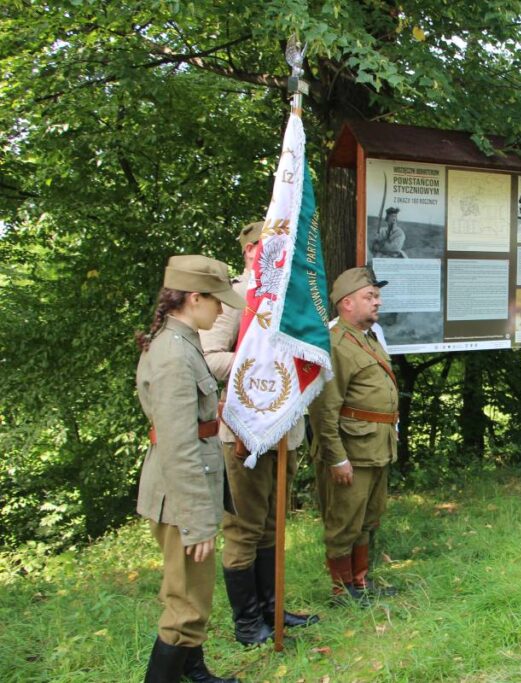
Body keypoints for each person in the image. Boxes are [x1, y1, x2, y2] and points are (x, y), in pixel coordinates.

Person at [199, 222, 317, 646]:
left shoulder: (292, 299)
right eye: (268, 248)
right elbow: (209, 357)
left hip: (283, 429)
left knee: (272, 525)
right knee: (244, 529)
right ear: (251, 251)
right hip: (244, 431)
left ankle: (273, 609)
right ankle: (249, 624)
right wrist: (260, 366)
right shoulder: (233, 299)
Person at [135, 255, 245, 683]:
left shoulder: (183, 342)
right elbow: (179, 446)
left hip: (187, 491)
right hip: (181, 497)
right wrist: (197, 522)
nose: (222, 311)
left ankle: (195, 675)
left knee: (193, 595)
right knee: (185, 608)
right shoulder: (173, 354)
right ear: (193, 298)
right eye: (217, 301)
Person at [309, 266, 399, 603]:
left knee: (367, 517)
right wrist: (337, 458)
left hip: (376, 445)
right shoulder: (335, 344)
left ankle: (360, 581)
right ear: (347, 303)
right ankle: (341, 589)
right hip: (352, 450)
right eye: (370, 296)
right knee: (344, 521)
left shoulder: (368, 338)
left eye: (376, 295)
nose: (378, 302)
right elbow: (323, 409)